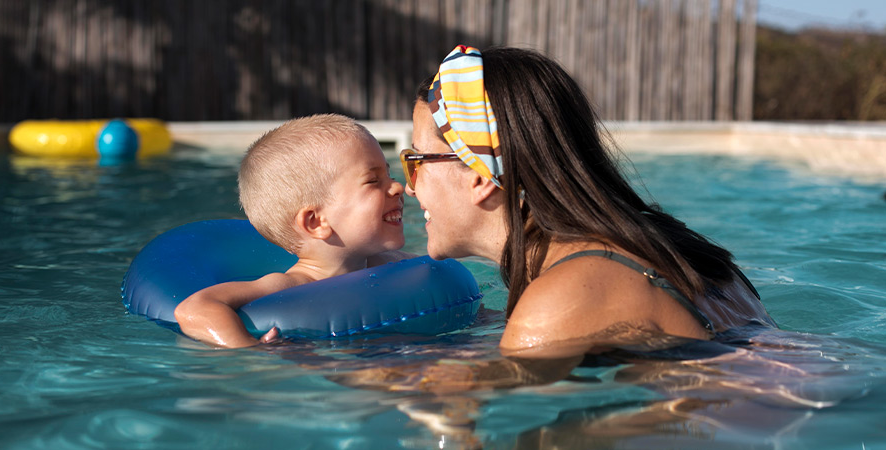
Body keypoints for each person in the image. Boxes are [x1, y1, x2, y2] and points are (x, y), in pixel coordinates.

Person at [402, 45, 775, 357]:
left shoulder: (559, 301)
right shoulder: (675, 246)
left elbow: (513, 434)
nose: (410, 188)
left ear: (480, 177)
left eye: (416, 161)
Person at [175, 114, 411, 348]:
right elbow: (193, 309)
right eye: (373, 181)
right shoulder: (291, 286)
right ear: (315, 222)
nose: (398, 186)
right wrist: (250, 350)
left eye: (389, 175)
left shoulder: (391, 264)